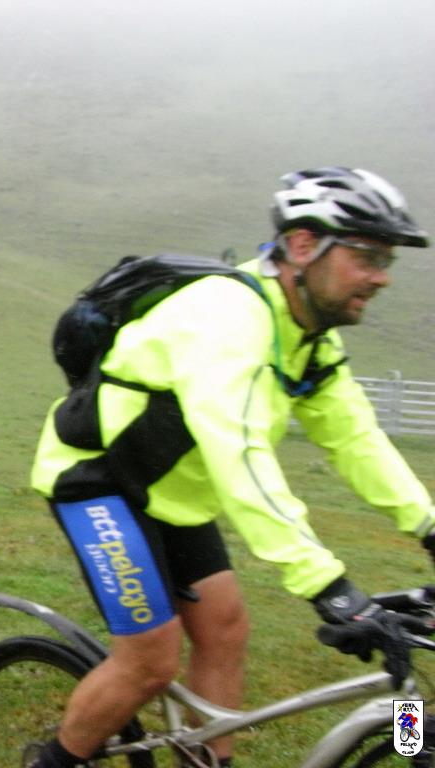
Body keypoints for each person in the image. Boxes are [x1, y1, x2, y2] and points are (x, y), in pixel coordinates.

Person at [27, 167, 435, 768]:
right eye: (368, 256)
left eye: (388, 261)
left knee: (224, 630)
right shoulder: (227, 318)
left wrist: (428, 525)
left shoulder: (310, 338)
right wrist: (326, 585)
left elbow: (357, 440)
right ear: (303, 245)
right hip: (99, 483)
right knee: (150, 659)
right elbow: (239, 455)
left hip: (174, 494)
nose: (383, 277)